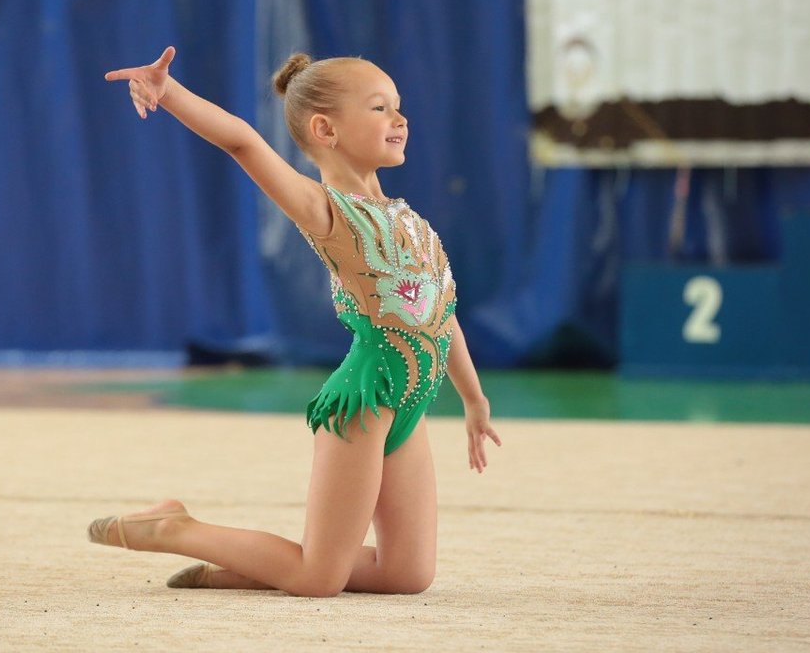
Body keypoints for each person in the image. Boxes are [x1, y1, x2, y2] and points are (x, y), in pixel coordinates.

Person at [88, 46, 501, 597]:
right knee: (319, 578)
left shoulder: (408, 218)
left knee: (407, 574)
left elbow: (440, 314)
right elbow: (242, 141)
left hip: (412, 401)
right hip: (365, 400)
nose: (400, 119)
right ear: (325, 129)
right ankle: (173, 526)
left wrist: (473, 399)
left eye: (398, 107)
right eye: (380, 108)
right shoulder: (324, 210)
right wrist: (171, 92)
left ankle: (250, 568)